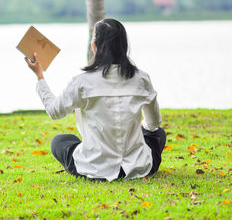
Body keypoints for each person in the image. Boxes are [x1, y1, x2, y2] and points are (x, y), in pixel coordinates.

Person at [25, 18, 166, 182]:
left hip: (94, 168)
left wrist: (39, 76)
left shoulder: (83, 82)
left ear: (95, 46)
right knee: (158, 134)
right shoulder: (142, 78)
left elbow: (54, 111)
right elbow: (154, 124)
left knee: (59, 141)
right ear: (124, 46)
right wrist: (143, 127)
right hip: (138, 167)